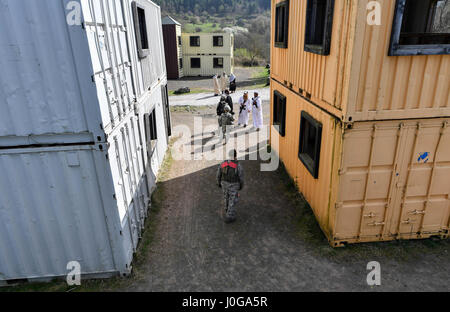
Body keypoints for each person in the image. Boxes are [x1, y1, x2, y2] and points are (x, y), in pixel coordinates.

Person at [216, 149, 244, 223]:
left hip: (224, 184)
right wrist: (241, 186)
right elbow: (241, 177)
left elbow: (218, 174)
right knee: (233, 200)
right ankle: (229, 216)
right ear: (235, 156)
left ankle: (226, 209)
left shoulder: (223, 163)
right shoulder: (238, 165)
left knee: (226, 197)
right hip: (234, 185)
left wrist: (218, 182)